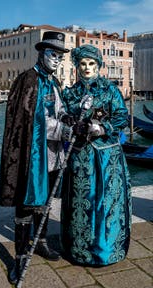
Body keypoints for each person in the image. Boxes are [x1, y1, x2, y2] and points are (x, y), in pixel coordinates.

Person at [0, 31, 73, 285]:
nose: (57, 60)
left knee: (46, 200)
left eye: (60, 57)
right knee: (26, 204)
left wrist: (67, 119)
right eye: (53, 55)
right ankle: (20, 256)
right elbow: (31, 122)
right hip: (30, 155)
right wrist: (62, 129)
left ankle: (40, 241)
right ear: (41, 53)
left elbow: (58, 110)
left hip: (52, 154)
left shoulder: (53, 82)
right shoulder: (27, 81)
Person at [60, 44, 132, 266]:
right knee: (81, 201)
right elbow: (61, 116)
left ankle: (108, 249)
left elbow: (122, 116)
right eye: (83, 64)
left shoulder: (110, 91)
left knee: (105, 201)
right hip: (80, 157)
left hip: (106, 157)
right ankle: (78, 248)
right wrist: (68, 122)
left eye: (92, 63)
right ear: (77, 66)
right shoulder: (70, 94)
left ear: (99, 66)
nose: (87, 68)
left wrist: (103, 128)